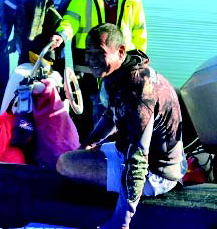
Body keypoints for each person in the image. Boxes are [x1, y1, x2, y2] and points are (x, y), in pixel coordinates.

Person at [56, 24, 185, 229]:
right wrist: (89, 143)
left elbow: (137, 162)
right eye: (88, 53)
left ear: (121, 52)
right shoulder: (119, 72)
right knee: (77, 154)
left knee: (65, 164)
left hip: (157, 173)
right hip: (147, 154)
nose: (91, 60)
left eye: (99, 53)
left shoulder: (137, 94)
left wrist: (121, 221)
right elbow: (111, 114)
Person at [50, 0, 147, 137]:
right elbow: (71, 20)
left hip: (121, 63)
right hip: (90, 63)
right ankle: (90, 144)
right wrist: (61, 35)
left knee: (121, 105)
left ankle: (116, 143)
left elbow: (139, 31)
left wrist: (139, 60)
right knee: (92, 107)